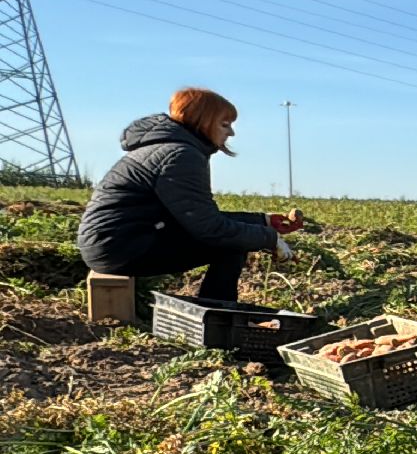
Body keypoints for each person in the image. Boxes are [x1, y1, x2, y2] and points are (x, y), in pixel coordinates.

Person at [77, 88, 299, 302]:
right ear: (203, 121)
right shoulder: (181, 156)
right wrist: (269, 238)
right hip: (120, 248)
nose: (231, 133)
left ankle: (215, 314)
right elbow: (211, 229)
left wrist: (265, 221)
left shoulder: (169, 148)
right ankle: (216, 320)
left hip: (119, 240)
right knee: (231, 245)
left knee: (232, 239)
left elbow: (198, 216)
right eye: (225, 124)